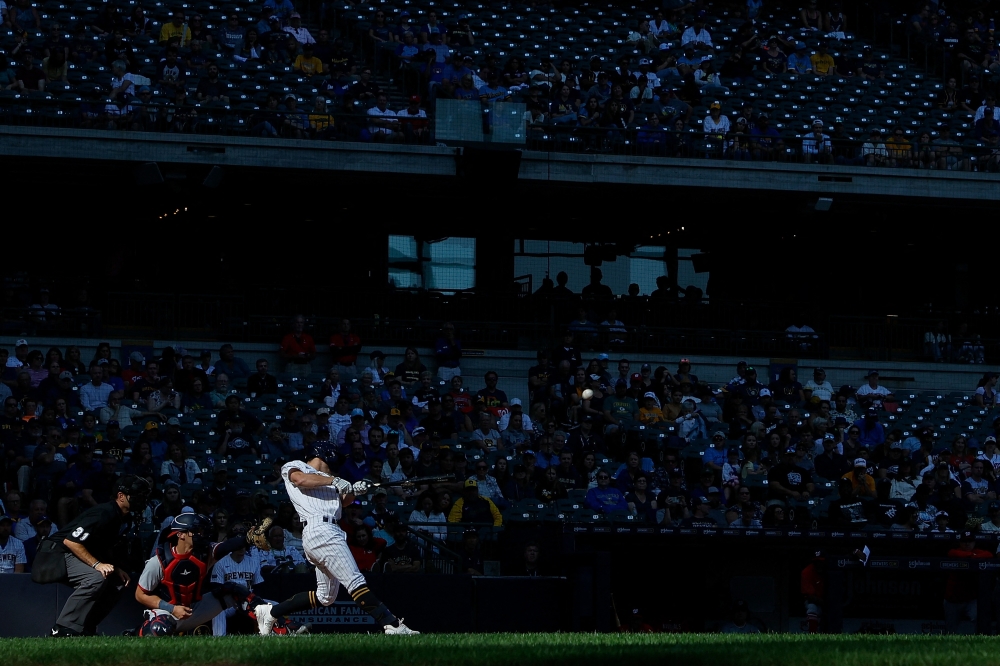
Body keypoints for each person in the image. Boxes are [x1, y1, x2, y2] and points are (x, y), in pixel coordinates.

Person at [253, 442, 418, 635]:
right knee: (355, 581)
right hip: (320, 529)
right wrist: (334, 481)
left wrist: (355, 491)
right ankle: (391, 625)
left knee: (326, 597)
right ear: (325, 454)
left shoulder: (331, 480)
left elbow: (343, 502)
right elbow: (300, 480)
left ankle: (271, 612)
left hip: (328, 530)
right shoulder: (296, 465)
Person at [38, 476, 151, 636]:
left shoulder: (121, 517)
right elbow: (71, 541)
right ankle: (64, 628)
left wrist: (115, 568)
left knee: (117, 581)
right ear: (121, 496)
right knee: (96, 577)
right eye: (137, 495)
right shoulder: (104, 512)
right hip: (54, 554)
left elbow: (98, 547)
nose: (141, 500)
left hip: (70, 553)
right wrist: (98, 565)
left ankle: (85, 627)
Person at [134, 513, 270, 637]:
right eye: (196, 531)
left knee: (235, 590)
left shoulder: (204, 553)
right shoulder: (158, 561)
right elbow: (140, 595)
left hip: (195, 608)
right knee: (158, 628)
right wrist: (172, 608)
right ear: (181, 534)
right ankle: (136, 632)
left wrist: (247, 539)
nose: (201, 534)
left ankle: (272, 624)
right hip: (168, 612)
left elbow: (225, 546)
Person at [943, 531, 993, 633]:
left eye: (969, 541)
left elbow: (989, 555)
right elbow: (952, 553)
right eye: (964, 541)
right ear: (960, 543)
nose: (967, 544)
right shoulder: (954, 552)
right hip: (953, 599)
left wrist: (971, 556)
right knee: (950, 629)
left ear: (974, 543)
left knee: (979, 619)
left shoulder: (978, 551)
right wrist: (971, 556)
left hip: (971, 600)